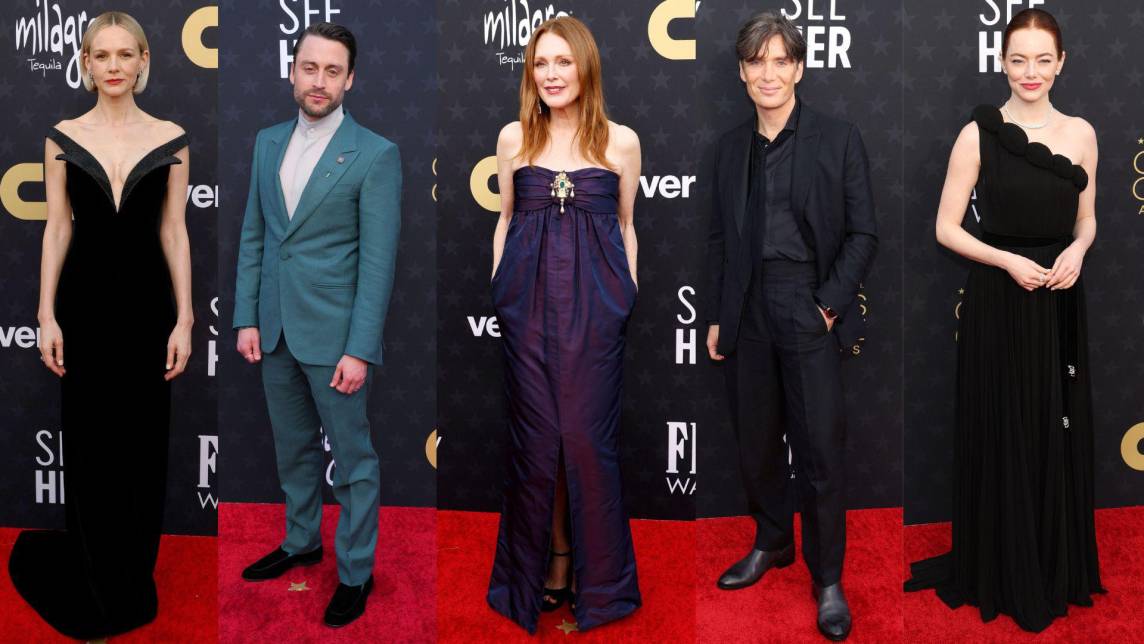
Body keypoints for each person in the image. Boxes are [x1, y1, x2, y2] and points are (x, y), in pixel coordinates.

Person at [904, 9, 1102, 632]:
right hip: (999, 296)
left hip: (1059, 299)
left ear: (1062, 62)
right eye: (1019, 59)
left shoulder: (1082, 134)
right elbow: (945, 226)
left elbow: (1087, 217)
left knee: (1053, 427)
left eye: (1043, 59)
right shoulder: (978, 134)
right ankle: (1004, 564)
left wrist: (1076, 252)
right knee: (1007, 426)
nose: (1031, 72)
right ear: (1002, 61)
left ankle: (1052, 562)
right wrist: (1008, 260)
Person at [7, 11, 192, 640]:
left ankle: (131, 576)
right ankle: (91, 572)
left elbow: (174, 231)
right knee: (89, 445)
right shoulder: (61, 136)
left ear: (144, 61)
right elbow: (56, 227)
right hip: (84, 308)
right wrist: (45, 312)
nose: (114, 66)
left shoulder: (172, 137)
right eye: (102, 56)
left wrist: (186, 318)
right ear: (86, 65)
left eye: (125, 55)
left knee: (142, 445)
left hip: (147, 310)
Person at [704, 11, 877, 642]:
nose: (769, 72)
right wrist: (723, 317)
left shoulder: (838, 138)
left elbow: (864, 234)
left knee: (821, 452)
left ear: (800, 68)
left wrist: (827, 306)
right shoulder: (727, 149)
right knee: (755, 442)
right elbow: (720, 240)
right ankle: (773, 541)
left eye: (782, 60)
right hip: (748, 310)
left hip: (809, 305)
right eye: (757, 62)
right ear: (743, 74)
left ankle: (827, 577)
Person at [232, 22, 401, 628]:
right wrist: (246, 317)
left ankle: (355, 572)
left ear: (350, 79)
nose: (319, 80)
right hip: (274, 329)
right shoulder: (266, 142)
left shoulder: (376, 154)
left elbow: (378, 265)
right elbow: (256, 236)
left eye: (333, 71)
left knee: (353, 462)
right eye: (310, 67)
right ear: (293, 70)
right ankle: (301, 541)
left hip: (335, 341)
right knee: (293, 451)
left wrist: (360, 350)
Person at [485, 15, 642, 634]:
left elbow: (627, 225)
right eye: (541, 64)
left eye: (563, 62)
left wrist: (626, 293)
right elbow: (504, 219)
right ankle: (548, 567)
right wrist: (501, 287)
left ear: (586, 67)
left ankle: (598, 583)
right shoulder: (511, 139)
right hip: (525, 310)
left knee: (584, 443)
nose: (551, 74)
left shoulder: (621, 143)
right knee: (537, 445)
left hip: (597, 313)